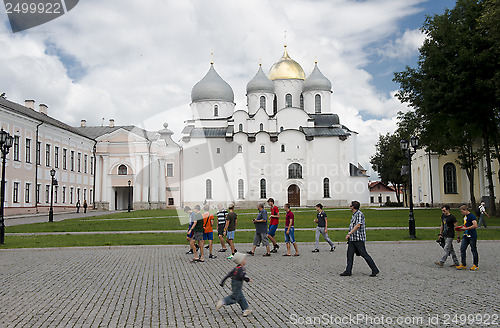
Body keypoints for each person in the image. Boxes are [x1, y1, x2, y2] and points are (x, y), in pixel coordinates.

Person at [340, 201, 379, 277]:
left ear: (353, 207)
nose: (350, 207)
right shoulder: (354, 215)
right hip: (352, 239)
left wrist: (349, 233)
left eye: (350, 206)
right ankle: (348, 271)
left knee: (364, 254)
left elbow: (358, 225)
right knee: (349, 255)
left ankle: (374, 269)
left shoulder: (359, 214)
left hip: (358, 239)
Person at [216, 252, 253, 317]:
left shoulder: (236, 268)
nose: (245, 261)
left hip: (233, 282)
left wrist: (223, 282)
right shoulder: (242, 269)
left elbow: (228, 275)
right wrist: (247, 279)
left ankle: (245, 309)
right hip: (238, 283)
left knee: (240, 296)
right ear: (241, 261)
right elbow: (242, 276)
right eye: (244, 259)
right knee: (236, 297)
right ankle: (224, 301)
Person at [456, 205, 479, 271]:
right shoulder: (465, 217)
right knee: (462, 249)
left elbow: (475, 225)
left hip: (472, 235)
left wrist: (466, 228)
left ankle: (475, 265)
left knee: (473, 250)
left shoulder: (472, 216)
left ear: (466, 210)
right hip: (465, 236)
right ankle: (463, 264)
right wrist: (461, 227)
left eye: (462, 211)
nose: (462, 213)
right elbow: (466, 225)